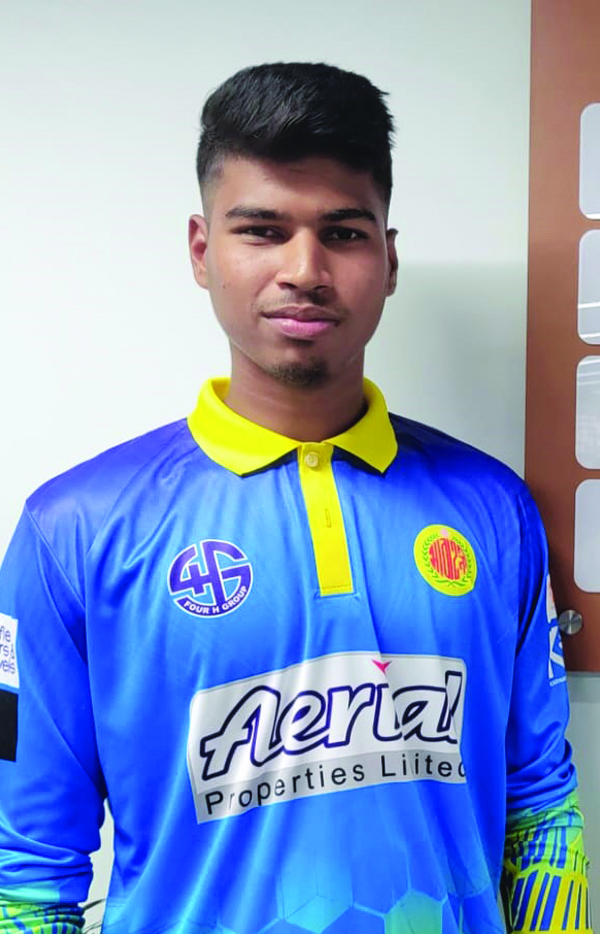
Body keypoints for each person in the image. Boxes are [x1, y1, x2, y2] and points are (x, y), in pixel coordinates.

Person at [0, 62, 591, 934]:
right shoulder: (71, 531)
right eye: (262, 231)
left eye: (343, 233)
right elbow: (24, 870)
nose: (304, 270)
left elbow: (540, 811)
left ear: (389, 258)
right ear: (202, 250)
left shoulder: (495, 510)